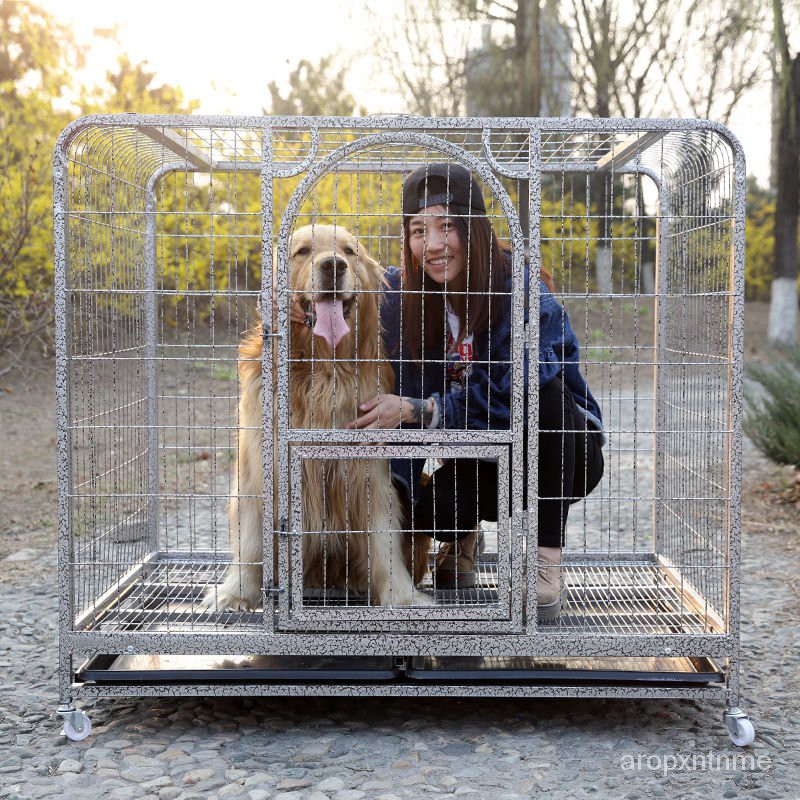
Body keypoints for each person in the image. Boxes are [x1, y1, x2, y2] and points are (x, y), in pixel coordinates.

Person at [346, 162, 605, 621]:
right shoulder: (401, 297)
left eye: (448, 226)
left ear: (476, 228)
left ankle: (545, 563)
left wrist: (417, 410)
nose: (434, 245)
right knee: (433, 510)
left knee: (543, 394)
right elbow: (349, 285)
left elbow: (513, 396)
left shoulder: (520, 289)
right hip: (477, 457)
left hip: (558, 452)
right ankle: (461, 538)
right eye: (418, 230)